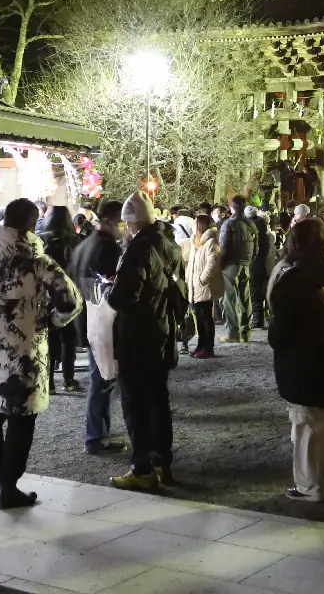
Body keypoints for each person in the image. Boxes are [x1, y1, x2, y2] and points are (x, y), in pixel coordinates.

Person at [0, 198, 80, 509]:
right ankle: (10, 487)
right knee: (22, 420)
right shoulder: (39, 261)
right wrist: (47, 322)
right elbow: (71, 302)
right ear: (32, 224)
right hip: (26, 355)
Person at [267, 217, 324, 501]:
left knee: (305, 426)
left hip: (301, 361)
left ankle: (310, 486)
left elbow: (279, 330)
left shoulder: (293, 279)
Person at [107, 191, 186, 490]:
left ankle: (142, 469)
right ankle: (162, 462)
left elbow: (124, 297)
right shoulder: (169, 244)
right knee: (158, 402)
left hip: (138, 337)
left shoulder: (138, 249)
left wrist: (110, 291)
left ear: (131, 223)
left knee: (135, 405)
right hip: (163, 331)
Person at [70, 200, 126, 454]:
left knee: (102, 379)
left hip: (86, 318)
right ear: (112, 221)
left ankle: (98, 434)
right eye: (121, 222)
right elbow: (111, 291)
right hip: (101, 321)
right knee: (103, 381)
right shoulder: (108, 248)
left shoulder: (83, 245)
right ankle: (95, 437)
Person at [37, 206, 81, 392]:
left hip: (47, 292)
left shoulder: (41, 238)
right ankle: (69, 379)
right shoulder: (75, 240)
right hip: (70, 291)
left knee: (49, 335)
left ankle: (49, 381)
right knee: (68, 337)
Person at [218, 196, 256, 344]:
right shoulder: (250, 225)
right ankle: (246, 332)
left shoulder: (229, 224)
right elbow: (256, 247)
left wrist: (220, 265)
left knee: (229, 300)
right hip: (245, 264)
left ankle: (233, 332)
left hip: (231, 265)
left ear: (232, 207)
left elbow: (224, 248)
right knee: (245, 299)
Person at [186, 211, 223, 359]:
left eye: (196, 223)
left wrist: (202, 280)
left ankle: (208, 347)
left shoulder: (210, 243)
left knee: (206, 318)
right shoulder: (195, 242)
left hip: (203, 286)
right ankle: (201, 345)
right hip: (195, 286)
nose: (193, 226)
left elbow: (212, 264)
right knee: (199, 319)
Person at [250, 207, 277, 333]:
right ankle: (264, 318)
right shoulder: (267, 235)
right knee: (263, 292)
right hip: (265, 267)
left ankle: (257, 319)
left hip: (256, 266)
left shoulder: (256, 235)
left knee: (256, 293)